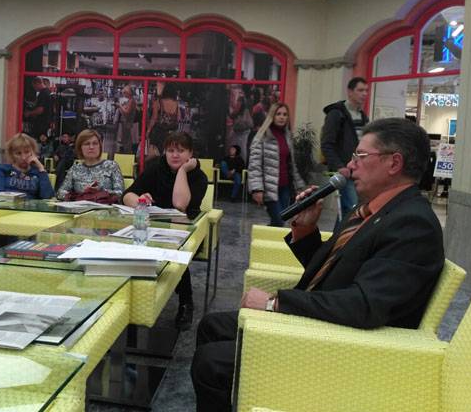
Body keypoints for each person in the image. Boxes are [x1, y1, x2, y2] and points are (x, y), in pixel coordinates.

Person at [191, 118, 445, 412]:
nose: (350, 166)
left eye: (360, 156)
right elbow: (332, 271)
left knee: (212, 364)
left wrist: (274, 303)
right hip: (324, 320)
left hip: (345, 348)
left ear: (394, 163)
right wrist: (306, 229)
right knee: (212, 326)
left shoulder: (413, 224)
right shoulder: (370, 210)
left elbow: (365, 305)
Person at [123, 132, 208, 330]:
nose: (175, 155)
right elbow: (127, 195)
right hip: (154, 226)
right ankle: (137, 296)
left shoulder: (199, 177)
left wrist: (182, 171)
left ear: (190, 154)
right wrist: (140, 200)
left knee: (174, 249)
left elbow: (180, 204)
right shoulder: (155, 168)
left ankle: (186, 301)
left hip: (187, 232)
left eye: (181, 150)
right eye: (170, 150)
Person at [247, 103, 305, 226]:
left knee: (279, 222)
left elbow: (292, 165)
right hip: (269, 189)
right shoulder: (262, 136)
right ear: (272, 116)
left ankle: (264, 239)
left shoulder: (287, 136)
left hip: (285, 187)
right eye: (278, 114)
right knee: (279, 221)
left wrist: (299, 186)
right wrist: (257, 189)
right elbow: (254, 165)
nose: (282, 117)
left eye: (285, 114)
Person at [321, 76, 369, 219]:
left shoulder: (362, 116)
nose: (364, 94)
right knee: (352, 207)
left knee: (348, 211)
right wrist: (339, 166)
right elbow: (327, 143)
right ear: (350, 92)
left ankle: (340, 233)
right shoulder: (336, 114)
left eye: (366, 91)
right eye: (360, 90)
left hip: (359, 170)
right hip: (344, 170)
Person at [56, 129, 124, 202]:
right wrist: (82, 196)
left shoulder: (111, 166)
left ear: (100, 146)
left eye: (95, 143)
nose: (91, 147)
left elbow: (120, 194)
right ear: (80, 148)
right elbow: (60, 193)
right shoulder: (75, 168)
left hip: (104, 206)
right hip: (80, 207)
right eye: (87, 144)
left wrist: (100, 193)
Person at [0, 133, 54, 199]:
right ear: (12, 155)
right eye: (18, 153)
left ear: (33, 152)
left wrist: (41, 168)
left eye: (27, 152)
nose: (23, 157)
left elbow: (48, 197)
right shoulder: (1, 170)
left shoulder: (38, 172)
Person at [147, 82, 180, 155]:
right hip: (171, 133)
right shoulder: (176, 103)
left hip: (159, 132)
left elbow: (154, 118)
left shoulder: (159, 102)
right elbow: (178, 118)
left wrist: (148, 130)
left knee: (154, 153)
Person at [116, 85, 139, 154]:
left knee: (127, 141)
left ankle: (127, 153)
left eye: (124, 93)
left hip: (128, 123)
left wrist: (120, 106)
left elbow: (127, 112)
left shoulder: (131, 101)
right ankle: (126, 153)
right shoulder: (129, 100)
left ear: (128, 93)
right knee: (125, 140)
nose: (124, 95)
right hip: (126, 123)